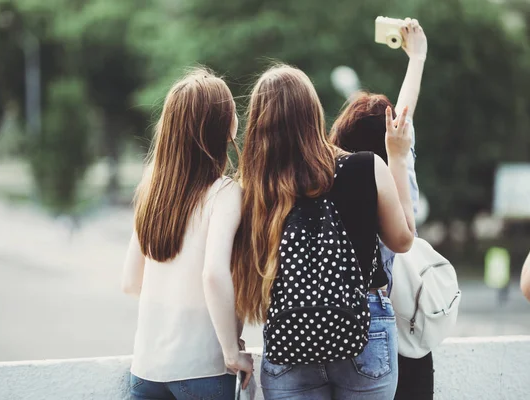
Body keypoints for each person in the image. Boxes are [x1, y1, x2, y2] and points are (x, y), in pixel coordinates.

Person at [231, 64, 416, 399]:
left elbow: (238, 273)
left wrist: (234, 342)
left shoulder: (253, 190)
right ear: (313, 112)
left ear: (257, 121)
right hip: (362, 325)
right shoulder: (365, 166)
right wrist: (398, 158)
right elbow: (402, 241)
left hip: (289, 331)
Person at [121, 68, 253, 400]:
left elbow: (131, 282)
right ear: (221, 127)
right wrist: (231, 351)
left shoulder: (152, 190)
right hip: (202, 369)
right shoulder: (224, 193)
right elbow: (213, 273)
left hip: (146, 369)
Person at [330, 18, 433, 400]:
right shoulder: (398, 168)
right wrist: (417, 57)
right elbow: (404, 238)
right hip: (399, 326)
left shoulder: (331, 177)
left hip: (342, 325)